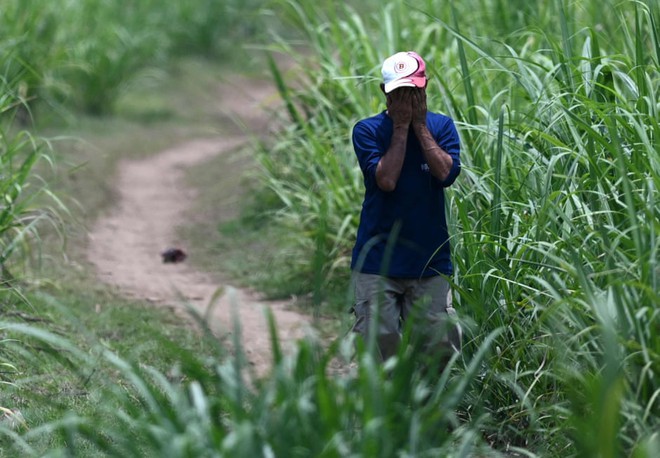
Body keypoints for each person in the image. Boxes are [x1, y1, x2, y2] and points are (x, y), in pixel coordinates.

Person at [350, 51, 462, 369]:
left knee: (439, 347)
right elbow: (386, 180)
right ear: (385, 92)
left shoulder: (442, 127)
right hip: (377, 262)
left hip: (430, 261)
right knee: (378, 345)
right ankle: (386, 412)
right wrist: (400, 129)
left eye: (414, 91)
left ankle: (434, 412)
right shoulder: (367, 131)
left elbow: (446, 174)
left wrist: (421, 128)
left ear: (425, 89)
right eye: (400, 92)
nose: (408, 99)